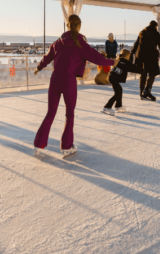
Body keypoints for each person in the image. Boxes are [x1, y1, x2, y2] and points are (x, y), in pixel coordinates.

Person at [33, 14, 112, 157]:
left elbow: (48, 57)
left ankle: (39, 144)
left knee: (50, 112)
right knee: (69, 114)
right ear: (79, 26)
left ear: (68, 25)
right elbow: (97, 58)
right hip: (68, 81)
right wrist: (113, 62)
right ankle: (66, 146)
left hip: (55, 79)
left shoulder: (58, 42)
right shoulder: (80, 43)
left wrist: (38, 67)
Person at [132, 20, 160, 101]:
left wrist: (132, 53)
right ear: (155, 26)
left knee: (143, 74)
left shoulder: (142, 32)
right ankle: (147, 90)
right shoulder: (156, 33)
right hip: (151, 57)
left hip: (141, 57)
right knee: (153, 73)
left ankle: (141, 92)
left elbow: (136, 44)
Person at [102, 49, 142, 115]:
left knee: (119, 90)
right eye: (129, 56)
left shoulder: (119, 60)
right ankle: (107, 107)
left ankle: (118, 106)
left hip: (111, 77)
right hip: (113, 78)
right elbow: (133, 68)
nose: (129, 57)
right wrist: (142, 70)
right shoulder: (125, 62)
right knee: (117, 93)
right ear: (126, 55)